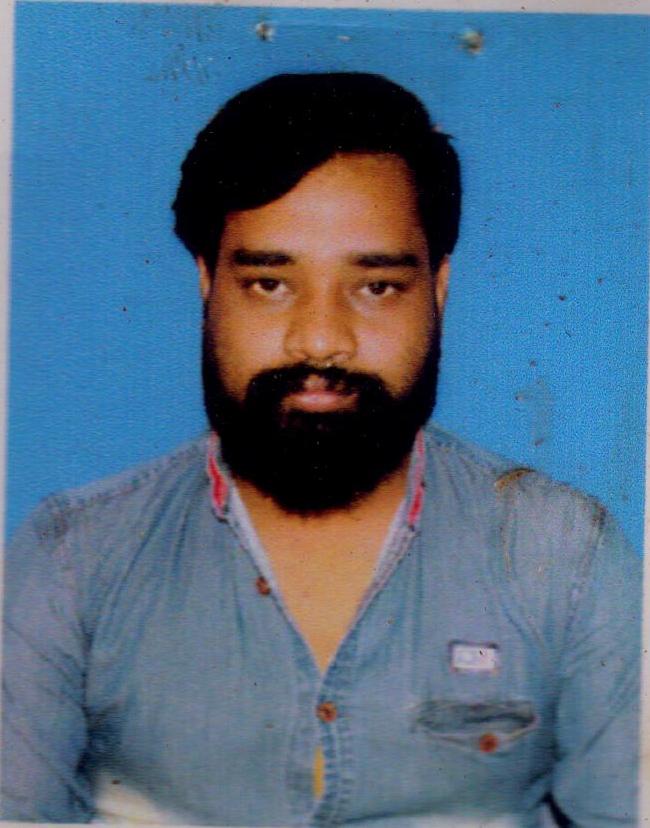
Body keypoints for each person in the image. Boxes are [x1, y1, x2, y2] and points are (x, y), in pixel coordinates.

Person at [1, 72, 640, 827]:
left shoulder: (564, 553)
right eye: (270, 284)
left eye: (376, 288)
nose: (320, 340)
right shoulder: (75, 560)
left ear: (438, 289)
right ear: (207, 282)